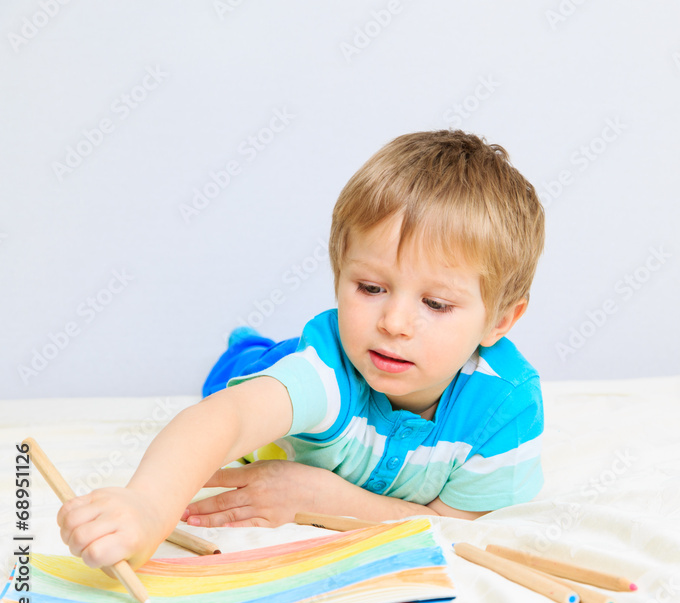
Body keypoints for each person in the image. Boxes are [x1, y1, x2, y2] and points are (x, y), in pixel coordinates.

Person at [58, 129, 546, 569]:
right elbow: (222, 420)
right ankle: (248, 349)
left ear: (500, 321)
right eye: (371, 288)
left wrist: (322, 496)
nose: (394, 323)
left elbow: (456, 527)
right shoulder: (326, 372)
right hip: (282, 367)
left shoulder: (506, 407)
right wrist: (148, 506)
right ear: (339, 276)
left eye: (436, 303)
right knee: (244, 371)